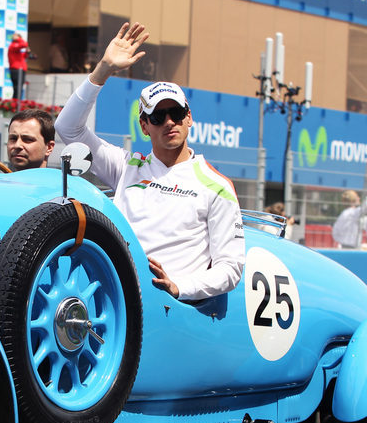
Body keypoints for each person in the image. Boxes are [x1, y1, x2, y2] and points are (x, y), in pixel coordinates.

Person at [54, 22, 244, 300]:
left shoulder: (217, 185)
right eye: (157, 117)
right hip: (116, 301)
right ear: (144, 126)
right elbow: (68, 128)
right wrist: (103, 69)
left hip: (174, 308)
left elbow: (231, 267)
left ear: (189, 118)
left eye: (176, 113)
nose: (169, 122)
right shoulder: (127, 166)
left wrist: (180, 287)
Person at [7, 32, 30, 101]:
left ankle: (17, 103)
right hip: (16, 70)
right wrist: (19, 39)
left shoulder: (17, 51)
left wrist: (27, 52)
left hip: (20, 70)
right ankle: (16, 103)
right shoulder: (12, 46)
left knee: (19, 88)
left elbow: (23, 57)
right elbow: (24, 44)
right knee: (17, 88)